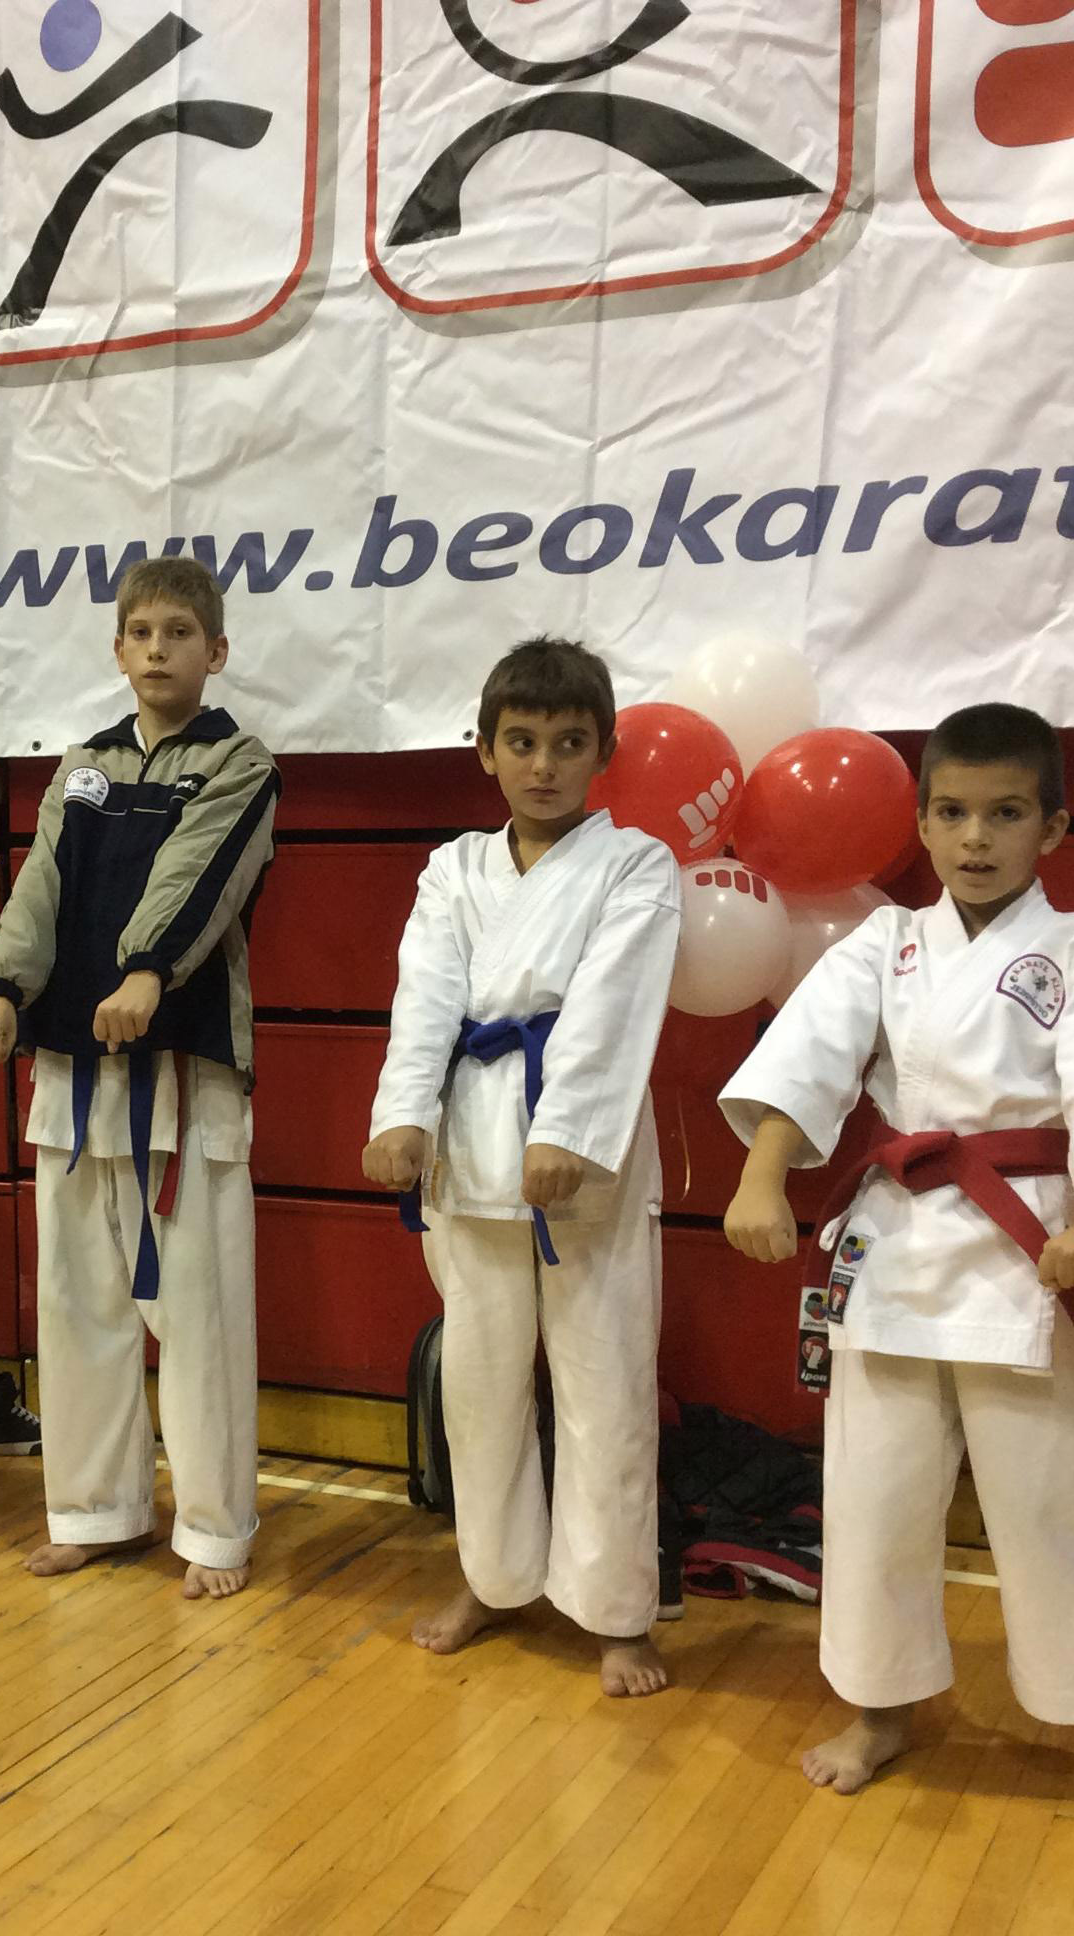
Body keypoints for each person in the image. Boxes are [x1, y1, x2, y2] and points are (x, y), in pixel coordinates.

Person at [719, 702, 1074, 1843]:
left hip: (1030, 1253)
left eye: (1006, 813)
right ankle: (880, 1707)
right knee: (874, 1501)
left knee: (1063, 1506)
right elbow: (810, 1057)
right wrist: (761, 1177)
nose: (976, 837)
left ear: (1052, 827)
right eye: (952, 812)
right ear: (923, 825)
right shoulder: (883, 944)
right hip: (892, 1250)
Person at [362, 638, 680, 1695]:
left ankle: (617, 1609)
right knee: (480, 1385)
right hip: (470, 1141)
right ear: (486, 750)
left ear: (605, 753)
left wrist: (567, 1132)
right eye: (523, 742)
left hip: (581, 1152)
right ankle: (493, 1579)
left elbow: (613, 1003)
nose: (544, 764)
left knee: (606, 1384)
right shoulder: (453, 867)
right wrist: (403, 1114)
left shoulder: (636, 863)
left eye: (569, 743)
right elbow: (423, 993)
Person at [0, 555, 280, 1600]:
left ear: (216, 651)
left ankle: (214, 1529)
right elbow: (40, 882)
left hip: (182, 1070)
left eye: (179, 634)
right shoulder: (85, 765)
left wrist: (148, 968)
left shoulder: (239, 762)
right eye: (141, 633)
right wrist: (2, 985)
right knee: (78, 1301)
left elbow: (204, 871)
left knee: (197, 1311)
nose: (157, 650)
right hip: (71, 1065)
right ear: (117, 649)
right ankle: (95, 1510)